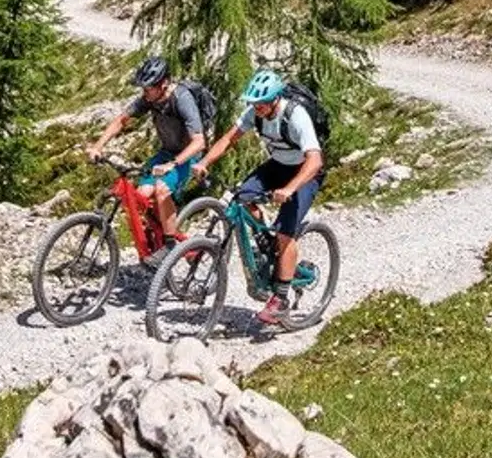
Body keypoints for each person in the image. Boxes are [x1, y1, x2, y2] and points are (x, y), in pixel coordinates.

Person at [189, 68, 324, 327]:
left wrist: (289, 189)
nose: (255, 108)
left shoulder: (296, 115)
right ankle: (266, 242)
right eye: (253, 103)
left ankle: (280, 299)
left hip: (305, 172)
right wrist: (204, 162)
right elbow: (229, 138)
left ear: (274, 100)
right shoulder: (255, 112)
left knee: (285, 233)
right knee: (241, 197)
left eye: (260, 104)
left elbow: (315, 160)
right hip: (278, 165)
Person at [87, 56, 206, 254]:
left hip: (188, 156)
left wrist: (173, 164)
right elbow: (121, 120)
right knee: (141, 196)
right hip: (166, 152)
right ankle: (160, 232)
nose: (144, 92)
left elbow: (199, 141)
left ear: (163, 84)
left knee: (162, 190)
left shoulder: (182, 99)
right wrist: (98, 146)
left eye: (148, 88)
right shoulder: (150, 98)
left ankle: (169, 247)